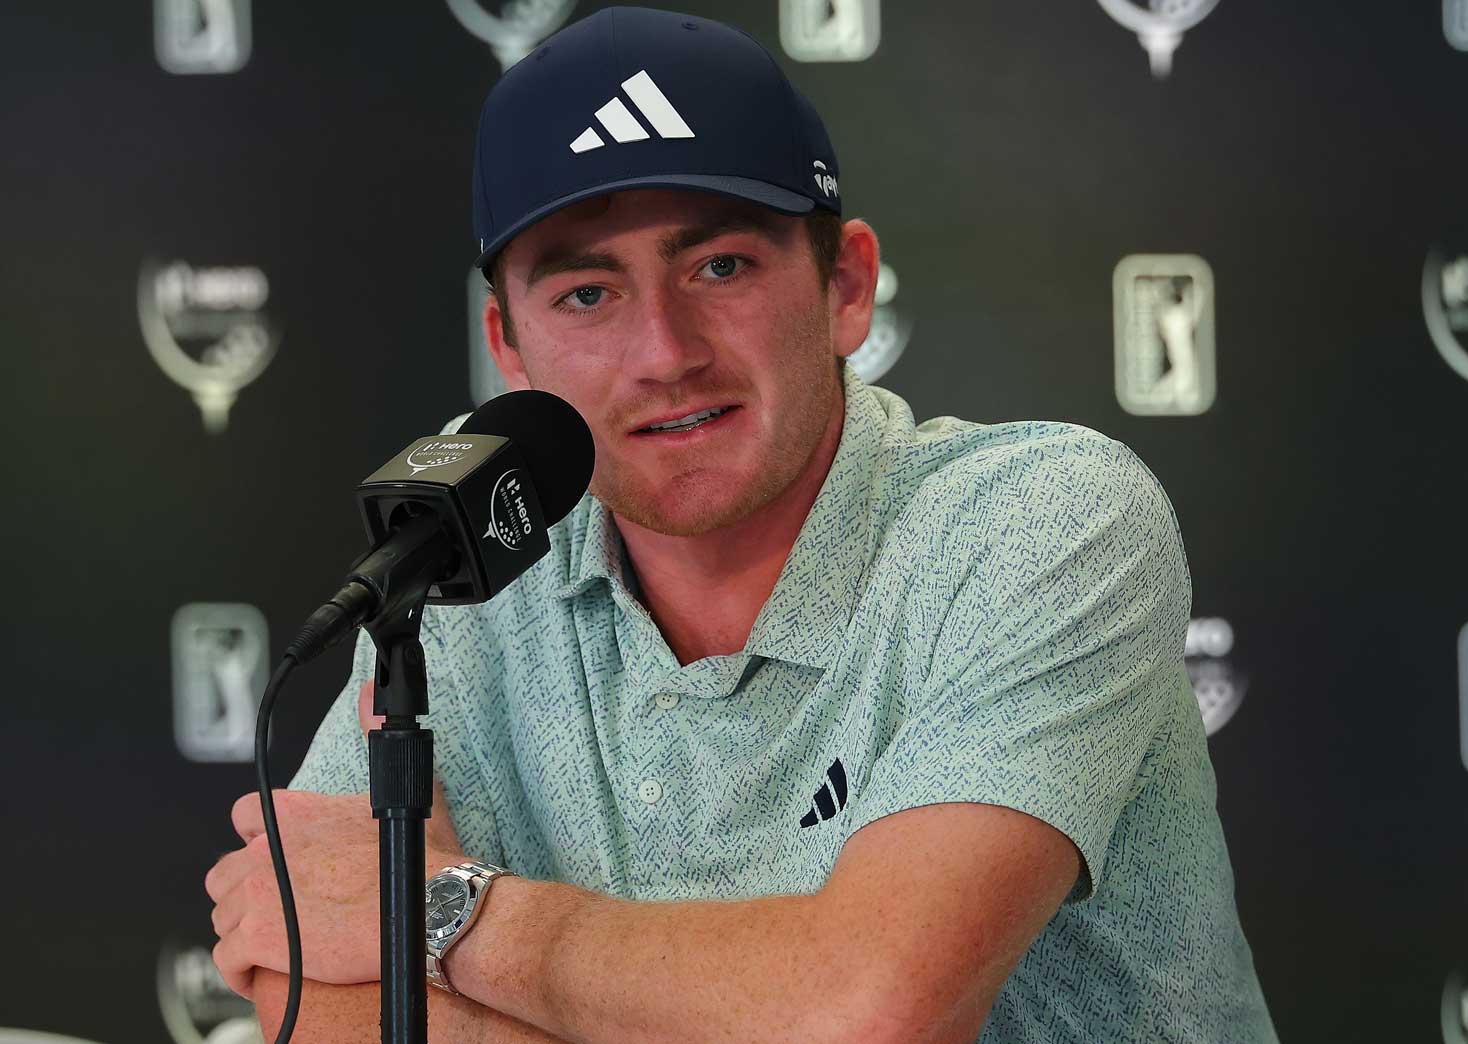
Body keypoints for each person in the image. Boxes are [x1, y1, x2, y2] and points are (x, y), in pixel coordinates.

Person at [202, 6, 1276, 1042]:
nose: (663, 351)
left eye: (719, 267)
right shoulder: (481, 529)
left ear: (844, 287)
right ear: (509, 346)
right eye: (585, 295)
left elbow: (866, 1013)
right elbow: (310, 960)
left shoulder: (1040, 520)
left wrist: (445, 912)